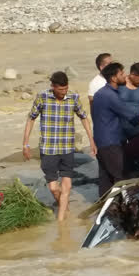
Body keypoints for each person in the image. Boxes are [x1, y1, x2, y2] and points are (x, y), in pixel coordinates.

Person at [22, 71, 96, 221]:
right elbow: (31, 119)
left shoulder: (73, 98)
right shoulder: (43, 97)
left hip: (67, 148)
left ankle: (61, 222)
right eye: (61, 90)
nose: (64, 92)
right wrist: (26, 143)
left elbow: (84, 117)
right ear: (53, 87)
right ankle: (64, 206)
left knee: (67, 186)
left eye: (66, 89)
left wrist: (91, 140)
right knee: (53, 188)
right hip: (48, 149)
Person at [91, 62, 139, 197]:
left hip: (100, 141)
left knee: (105, 180)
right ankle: (126, 209)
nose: (125, 76)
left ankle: (106, 210)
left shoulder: (100, 93)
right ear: (114, 78)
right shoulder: (111, 96)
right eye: (121, 74)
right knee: (122, 177)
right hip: (111, 142)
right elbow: (132, 117)